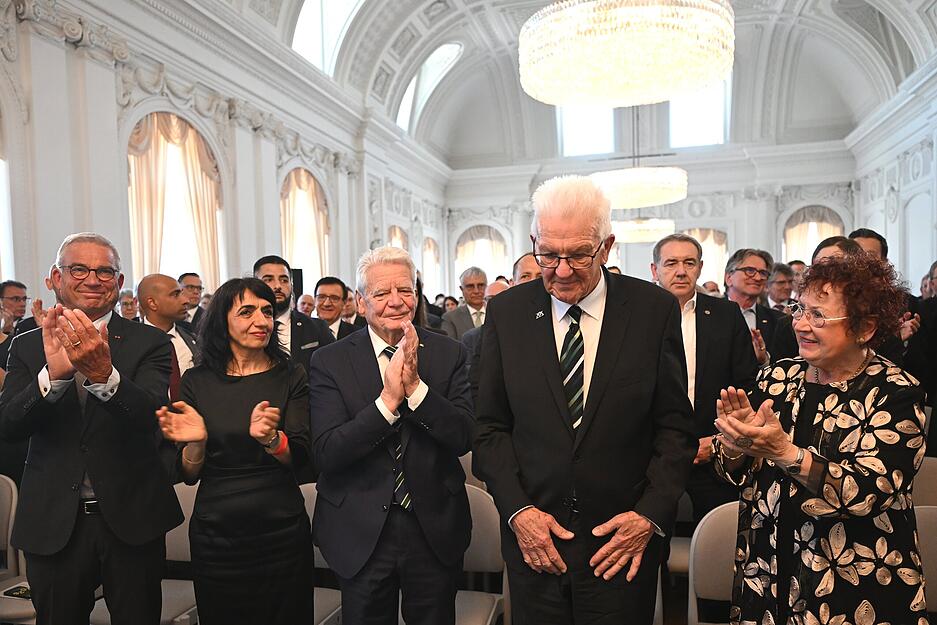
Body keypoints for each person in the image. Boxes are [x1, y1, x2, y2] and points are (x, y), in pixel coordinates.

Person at [474, 176, 696, 625]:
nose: (559, 269)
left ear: (607, 246)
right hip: (534, 542)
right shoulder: (508, 313)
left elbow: (675, 430)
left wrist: (647, 518)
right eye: (548, 254)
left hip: (621, 546)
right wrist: (518, 512)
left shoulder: (653, 311)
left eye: (577, 254)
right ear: (534, 241)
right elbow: (488, 427)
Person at [712, 253, 928, 625]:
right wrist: (734, 446)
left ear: (865, 328)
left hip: (856, 577)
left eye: (819, 316)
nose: (802, 325)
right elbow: (734, 473)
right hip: (767, 570)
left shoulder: (897, 392)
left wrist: (784, 452)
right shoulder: (778, 378)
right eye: (800, 309)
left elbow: (867, 492)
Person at [0, 232, 182, 624]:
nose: (93, 279)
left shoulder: (149, 342)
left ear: (118, 283)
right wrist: (54, 377)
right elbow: (9, 425)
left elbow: (150, 417)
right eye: (78, 269)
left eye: (105, 271)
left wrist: (105, 376)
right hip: (53, 523)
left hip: (132, 519)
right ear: (55, 277)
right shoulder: (28, 345)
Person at [309, 246, 473, 625]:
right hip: (358, 528)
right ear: (361, 301)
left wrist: (416, 390)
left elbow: (464, 436)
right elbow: (328, 453)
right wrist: (387, 403)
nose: (396, 302)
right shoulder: (330, 361)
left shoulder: (450, 353)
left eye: (405, 290)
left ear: (416, 296)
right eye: (382, 294)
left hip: (433, 526)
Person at [157, 277, 313, 625]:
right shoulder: (197, 380)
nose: (261, 321)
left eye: (267, 312)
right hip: (218, 534)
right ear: (222, 321)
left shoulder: (291, 375)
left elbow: (301, 457)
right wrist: (196, 442)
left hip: (281, 529)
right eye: (247, 312)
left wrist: (272, 439)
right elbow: (189, 473)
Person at [649, 234, 758, 525]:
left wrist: (721, 440)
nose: (681, 271)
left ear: (700, 267)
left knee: (716, 552)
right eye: (671, 263)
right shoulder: (635, 318)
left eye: (689, 262)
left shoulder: (726, 315)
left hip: (713, 454)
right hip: (651, 459)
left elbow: (747, 384)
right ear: (654, 270)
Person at [252, 255, 333, 373]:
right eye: (268, 280)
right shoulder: (246, 327)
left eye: (284, 280)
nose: (278, 286)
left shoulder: (317, 328)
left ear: (292, 285)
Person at [441, 267, 488, 339]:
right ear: (462, 289)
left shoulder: (497, 313)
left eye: (481, 285)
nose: (476, 291)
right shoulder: (451, 318)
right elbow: (449, 347)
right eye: (470, 286)